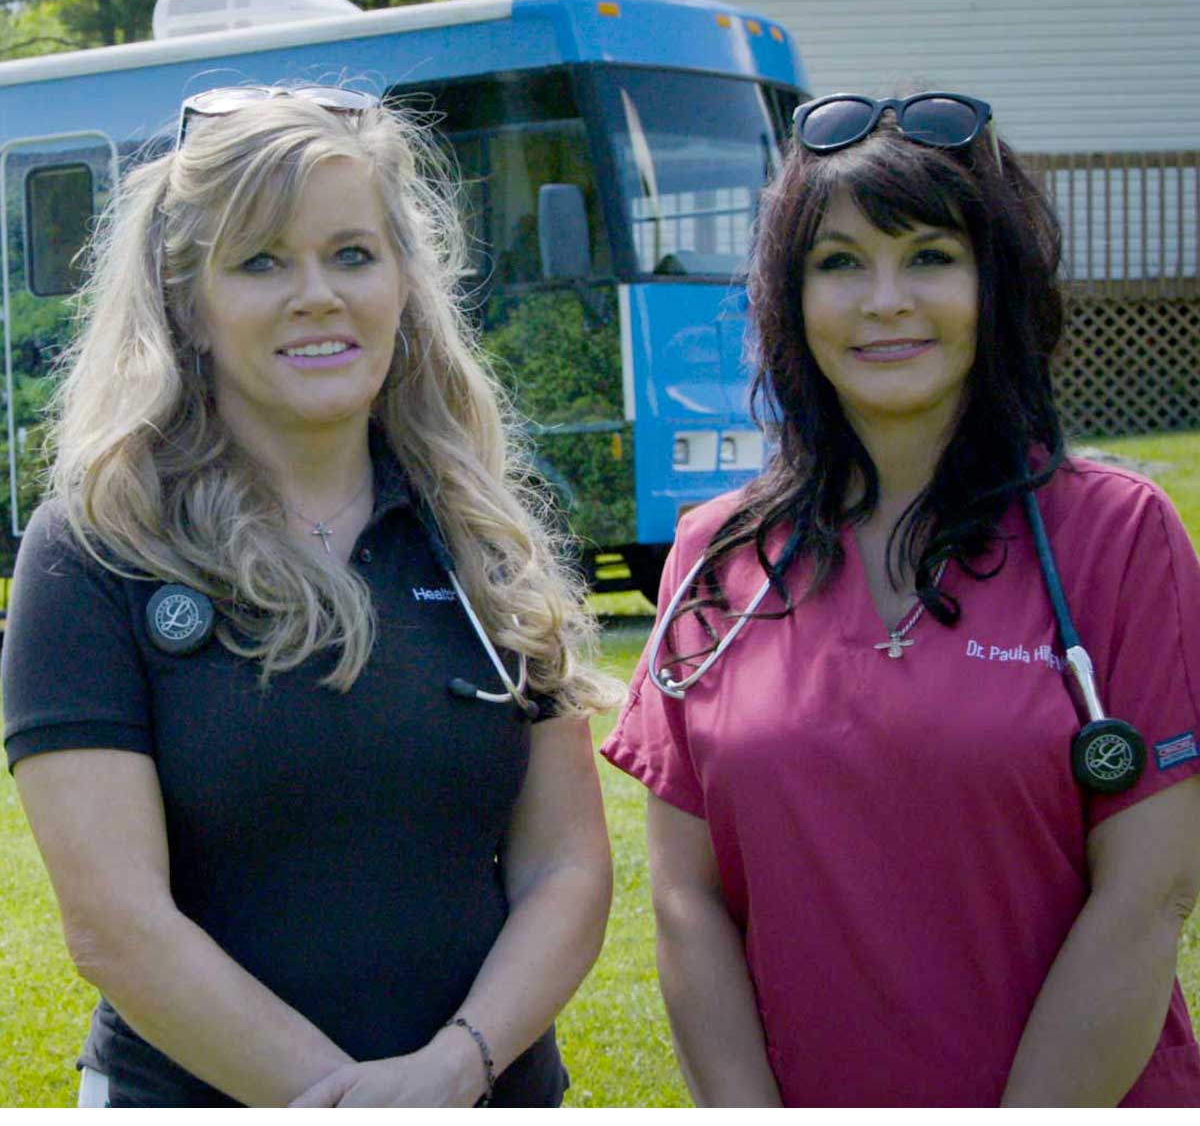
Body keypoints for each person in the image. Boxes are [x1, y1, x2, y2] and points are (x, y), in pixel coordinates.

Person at [2, 85, 619, 1108]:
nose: (317, 295)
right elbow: (115, 921)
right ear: (187, 306)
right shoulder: (96, 550)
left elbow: (566, 872)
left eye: (351, 254)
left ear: (403, 284)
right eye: (259, 262)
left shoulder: (478, 531)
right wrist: (343, 1100)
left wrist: (453, 1069)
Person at [601, 91, 1200, 1107]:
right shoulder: (714, 557)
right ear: (788, 298)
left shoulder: (1117, 537)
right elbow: (686, 902)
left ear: (997, 282)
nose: (884, 300)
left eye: (930, 255)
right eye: (838, 263)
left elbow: (1146, 897)